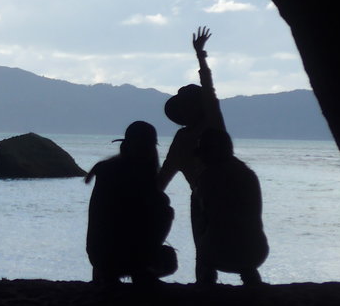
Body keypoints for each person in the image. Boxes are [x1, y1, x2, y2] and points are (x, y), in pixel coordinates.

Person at [158, 26, 227, 283]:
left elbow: (162, 179)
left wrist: (201, 57)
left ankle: (206, 284)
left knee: (205, 250)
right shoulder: (212, 127)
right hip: (219, 196)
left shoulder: (205, 129)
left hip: (208, 198)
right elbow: (164, 177)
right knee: (218, 247)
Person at [85, 121, 175, 286]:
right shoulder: (133, 173)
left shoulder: (107, 169)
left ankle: (108, 273)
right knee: (168, 253)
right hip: (117, 254)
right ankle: (139, 270)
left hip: (99, 255)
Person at [195, 129, 269, 285]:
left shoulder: (208, 177)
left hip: (218, 251)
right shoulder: (248, 174)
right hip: (257, 250)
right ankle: (250, 277)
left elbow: (207, 216)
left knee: (205, 227)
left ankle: (207, 277)